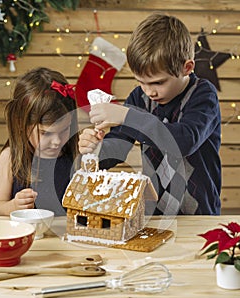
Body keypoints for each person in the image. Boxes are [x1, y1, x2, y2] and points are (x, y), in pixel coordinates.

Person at [78, 14, 221, 215]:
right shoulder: (139, 98)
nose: (149, 92)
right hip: (154, 212)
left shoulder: (203, 95)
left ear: (186, 68)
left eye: (158, 83)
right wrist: (95, 149)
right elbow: (118, 146)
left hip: (198, 212)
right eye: (141, 82)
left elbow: (184, 141)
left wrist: (127, 116)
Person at [0, 67, 79, 216]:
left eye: (64, 130)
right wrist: (14, 205)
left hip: (63, 237)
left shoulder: (75, 153)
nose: (57, 141)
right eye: (46, 133)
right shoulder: (10, 158)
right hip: (28, 238)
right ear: (21, 124)